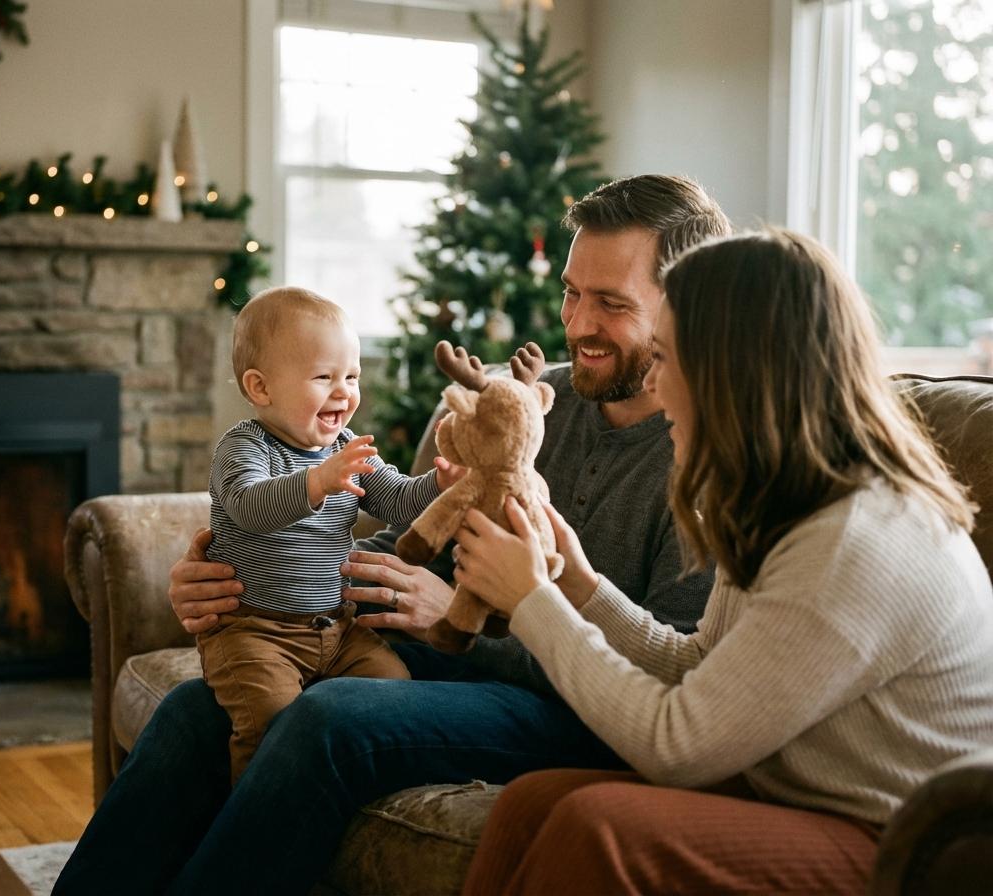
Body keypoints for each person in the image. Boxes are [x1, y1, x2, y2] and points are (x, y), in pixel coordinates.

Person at [53, 174, 732, 895]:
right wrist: (248, 578)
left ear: (684, 308)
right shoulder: (520, 405)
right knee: (200, 709)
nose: (576, 322)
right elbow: (397, 548)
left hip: (575, 709)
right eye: (571, 291)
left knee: (333, 718)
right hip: (439, 668)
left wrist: (460, 620)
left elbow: (669, 679)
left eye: (612, 304)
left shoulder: (710, 453)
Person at [453, 228, 993, 894]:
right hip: (803, 800)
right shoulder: (782, 499)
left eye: (665, 358)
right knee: (530, 805)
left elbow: (677, 746)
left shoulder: (853, 539)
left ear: (733, 373)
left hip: (904, 844)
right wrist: (579, 582)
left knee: (600, 824)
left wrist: (534, 603)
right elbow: (700, 668)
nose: (650, 382)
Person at [199, 286, 461, 783]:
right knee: (270, 722)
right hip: (254, 632)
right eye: (324, 377)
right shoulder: (244, 449)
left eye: (352, 376)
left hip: (337, 630)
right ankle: (257, 812)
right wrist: (317, 481)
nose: (344, 392)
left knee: (393, 687)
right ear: (261, 388)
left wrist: (439, 486)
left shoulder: (346, 449)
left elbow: (399, 502)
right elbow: (249, 508)